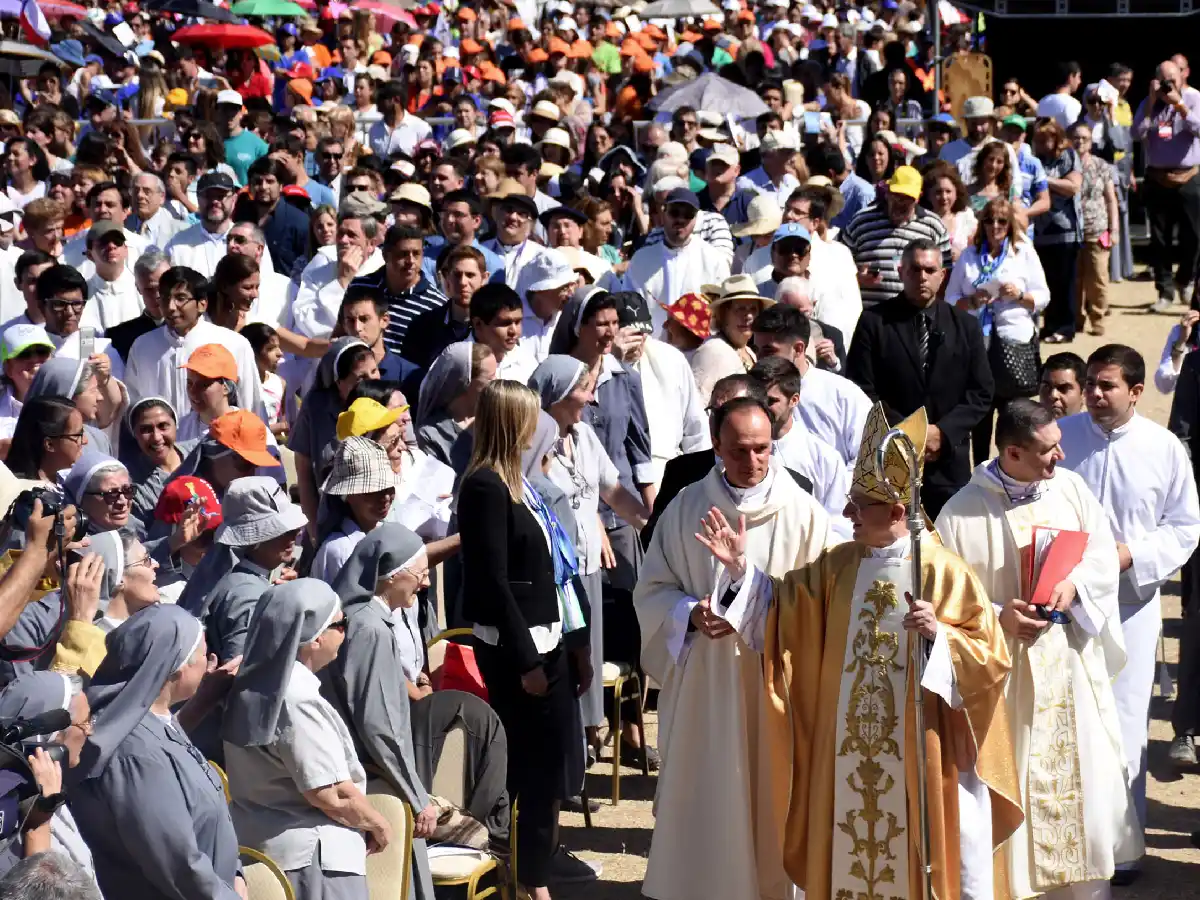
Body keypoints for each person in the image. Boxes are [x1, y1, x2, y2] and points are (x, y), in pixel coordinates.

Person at [689, 401, 1023, 900]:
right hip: (847, 754)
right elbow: (782, 611)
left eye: (858, 506)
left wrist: (940, 636)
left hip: (919, 752)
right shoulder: (839, 565)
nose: (846, 515)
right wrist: (741, 572)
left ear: (895, 511)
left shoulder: (943, 572)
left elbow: (990, 661)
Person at [937, 398, 1143, 897]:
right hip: (1004, 677)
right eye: (1048, 451)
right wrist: (997, 615)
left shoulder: (1069, 489)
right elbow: (942, 599)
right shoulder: (961, 513)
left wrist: (1074, 585)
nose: (1061, 458)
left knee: (1083, 786)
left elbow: (1098, 552)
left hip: (1066, 664)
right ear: (1011, 452)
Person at [634, 392, 833, 900]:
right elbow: (652, 590)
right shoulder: (686, 508)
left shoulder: (805, 513)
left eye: (762, 449)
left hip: (776, 685)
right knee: (711, 791)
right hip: (706, 683)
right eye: (740, 450)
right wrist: (689, 614)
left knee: (772, 796)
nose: (753, 461)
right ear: (717, 447)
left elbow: (821, 603)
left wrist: (748, 598)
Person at [1058, 345, 1200, 883]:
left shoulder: (1163, 449)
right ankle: (1068, 841)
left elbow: (1185, 526)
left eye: (1107, 385)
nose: (1095, 394)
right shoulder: (1062, 438)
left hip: (1130, 606)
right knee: (1065, 717)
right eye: (1091, 383)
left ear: (1136, 391)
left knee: (1122, 724)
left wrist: (1132, 555)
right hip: (1064, 606)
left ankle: (1123, 848)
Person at [457, 380, 594, 897]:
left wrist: (576, 643)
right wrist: (525, 662)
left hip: (552, 640)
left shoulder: (522, 482)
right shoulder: (485, 486)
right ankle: (529, 881)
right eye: (529, 417)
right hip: (520, 650)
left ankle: (534, 872)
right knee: (531, 770)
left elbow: (554, 569)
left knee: (551, 764)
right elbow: (492, 581)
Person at [70, 605, 245, 900]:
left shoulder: (159, 723)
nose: (209, 661)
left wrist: (235, 874)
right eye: (203, 654)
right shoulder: (135, 754)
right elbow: (179, 864)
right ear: (176, 667)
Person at [224, 579, 382, 900]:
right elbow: (331, 793)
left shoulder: (253, 684)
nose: (345, 632)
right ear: (315, 638)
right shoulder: (295, 696)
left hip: (266, 849)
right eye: (340, 623)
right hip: (314, 861)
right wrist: (379, 825)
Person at [325, 525, 446, 900]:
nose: (424, 583)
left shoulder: (359, 619)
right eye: (420, 573)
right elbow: (380, 725)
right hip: (378, 780)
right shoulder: (370, 629)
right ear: (393, 576)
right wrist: (416, 795)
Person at [847, 239, 994, 517]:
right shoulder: (874, 322)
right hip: (891, 459)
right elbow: (861, 389)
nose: (922, 277)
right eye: (914, 269)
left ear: (943, 275)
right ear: (901, 272)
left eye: (929, 270)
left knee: (946, 546)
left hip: (948, 464)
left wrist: (943, 433)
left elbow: (981, 392)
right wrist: (909, 434)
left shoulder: (965, 326)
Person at [945, 198, 1050, 461]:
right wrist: (971, 301)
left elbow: (1043, 296)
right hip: (977, 341)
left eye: (1002, 221)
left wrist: (1019, 295)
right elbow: (949, 299)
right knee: (979, 413)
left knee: (1011, 416)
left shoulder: (1023, 252)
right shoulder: (970, 255)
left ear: (1010, 224)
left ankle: (1009, 470)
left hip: (1012, 339)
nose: (995, 226)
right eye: (990, 220)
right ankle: (980, 470)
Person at [189, 475, 308, 667]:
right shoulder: (249, 595)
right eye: (285, 531)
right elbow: (241, 671)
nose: (296, 535)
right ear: (255, 540)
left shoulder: (234, 577)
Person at [125, 266, 263, 420]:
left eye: (181, 298)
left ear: (202, 304)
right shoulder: (143, 346)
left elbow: (252, 406)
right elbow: (132, 405)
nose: (171, 307)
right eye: (164, 298)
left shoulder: (232, 343)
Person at [0, 673, 97, 885]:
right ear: (48, 742)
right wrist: (38, 826)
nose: (90, 731)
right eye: (86, 722)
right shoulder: (10, 816)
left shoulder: (51, 793)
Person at [290, 338, 379, 532]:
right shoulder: (315, 409)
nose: (372, 381)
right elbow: (304, 474)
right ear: (339, 383)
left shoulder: (392, 401)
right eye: (361, 377)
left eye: (374, 371)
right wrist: (314, 529)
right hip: (330, 521)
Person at [1132, 58, 1200, 312]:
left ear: (1182, 77)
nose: (1168, 85)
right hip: (1157, 178)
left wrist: (1180, 106)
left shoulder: (1194, 98)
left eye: (1172, 79)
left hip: (1188, 176)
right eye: (1163, 81)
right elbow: (1136, 133)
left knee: (1194, 236)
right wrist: (1151, 102)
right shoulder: (1148, 103)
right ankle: (1165, 290)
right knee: (1159, 240)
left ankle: (1185, 280)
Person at [750, 356, 848, 527]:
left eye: (771, 401)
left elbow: (838, 522)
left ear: (794, 400)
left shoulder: (823, 458)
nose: (762, 406)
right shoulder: (734, 452)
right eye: (757, 399)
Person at [840, 166, 952, 310]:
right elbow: (839, 267)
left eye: (907, 198)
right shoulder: (861, 221)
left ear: (918, 198)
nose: (900, 202)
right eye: (896, 195)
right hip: (870, 319)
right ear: (887, 193)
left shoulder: (934, 226)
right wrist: (856, 279)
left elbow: (946, 275)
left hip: (915, 319)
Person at [625, 188, 731, 328]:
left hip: (699, 346)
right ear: (664, 214)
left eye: (688, 214)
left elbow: (720, 315)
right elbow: (631, 312)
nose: (680, 220)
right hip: (651, 346)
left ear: (696, 219)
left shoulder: (714, 260)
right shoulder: (641, 260)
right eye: (674, 213)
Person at [345, 225, 448, 355]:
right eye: (403, 254)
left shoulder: (437, 305)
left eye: (416, 254)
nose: (410, 261)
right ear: (385, 255)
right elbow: (341, 333)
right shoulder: (359, 287)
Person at [312, 437, 396, 582]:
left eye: (389, 488)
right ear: (348, 495)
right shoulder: (340, 550)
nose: (386, 497)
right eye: (373, 491)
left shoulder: (386, 531)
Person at [1030, 118, 1083, 343]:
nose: (1041, 144)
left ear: (1057, 138)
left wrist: (1044, 180)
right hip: (1039, 232)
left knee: (1065, 283)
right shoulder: (1033, 160)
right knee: (1045, 282)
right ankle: (1049, 327)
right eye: (1038, 140)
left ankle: (1065, 327)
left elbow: (1073, 187)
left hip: (1065, 231)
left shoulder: (1069, 156)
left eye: (1045, 139)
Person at [1069, 121, 1119, 337]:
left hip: (1096, 229)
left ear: (1091, 142)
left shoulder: (1101, 166)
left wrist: (1114, 229)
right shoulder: (1065, 164)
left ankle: (1097, 317)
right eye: (1076, 138)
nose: (1080, 141)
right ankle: (1076, 319)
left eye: (1084, 138)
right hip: (1070, 230)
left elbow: (1111, 199)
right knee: (1075, 279)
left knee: (1097, 278)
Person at [414, 342, 496, 469]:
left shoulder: (495, 421)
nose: (497, 383)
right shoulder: (431, 436)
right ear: (465, 382)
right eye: (491, 378)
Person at [690, 276, 770, 406]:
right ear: (723, 315)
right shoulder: (712, 351)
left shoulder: (749, 351)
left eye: (753, 309)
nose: (748, 316)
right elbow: (698, 406)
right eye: (740, 309)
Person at [125, 397, 199, 529]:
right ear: (134, 434)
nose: (157, 437)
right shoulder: (130, 483)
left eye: (163, 426)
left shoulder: (199, 452)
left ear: (176, 425)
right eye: (146, 430)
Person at [164, 172, 239, 278]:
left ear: (233, 200)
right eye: (208, 196)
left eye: (221, 196)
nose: (215, 201)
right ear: (198, 199)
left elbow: (265, 285)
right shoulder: (177, 244)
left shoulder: (249, 240)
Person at [469, 283, 538, 383]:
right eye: (505, 323)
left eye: (518, 322)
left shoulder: (527, 362)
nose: (513, 331)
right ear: (478, 324)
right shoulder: (459, 363)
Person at [0, 323, 52, 440]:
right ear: (8, 368)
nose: (34, 360)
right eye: (24, 354)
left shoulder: (72, 398)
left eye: (42, 351)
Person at [1039, 351, 1087, 419]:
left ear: (1084, 395)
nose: (1053, 395)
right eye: (1046, 387)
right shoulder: (1026, 427)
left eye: (1063, 388)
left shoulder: (1095, 428)